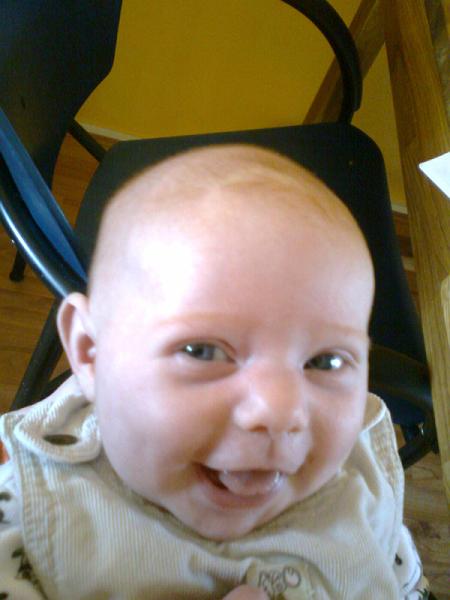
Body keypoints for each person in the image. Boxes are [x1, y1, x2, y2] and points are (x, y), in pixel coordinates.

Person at [0, 145, 429, 599]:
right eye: (202, 351)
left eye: (324, 361)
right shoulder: (28, 521)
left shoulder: (361, 485)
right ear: (91, 351)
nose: (280, 410)